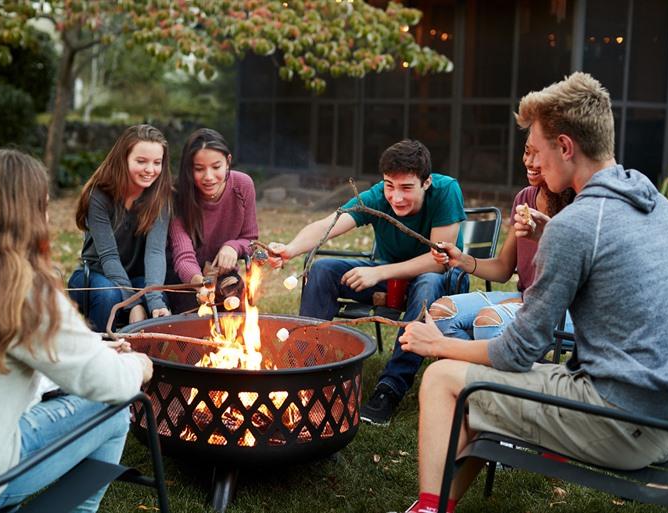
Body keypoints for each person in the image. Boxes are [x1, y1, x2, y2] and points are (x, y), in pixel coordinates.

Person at [398, 72, 668, 513]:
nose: (535, 164)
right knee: (482, 398)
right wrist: (556, 233)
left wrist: (438, 345)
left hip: (621, 423)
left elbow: (516, 353)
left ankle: (429, 510)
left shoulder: (577, 224)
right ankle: (434, 505)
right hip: (660, 413)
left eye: (539, 151)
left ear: (566, 147)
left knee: (442, 379)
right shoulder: (655, 203)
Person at [0, 149, 154, 513]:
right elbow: (109, 383)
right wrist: (138, 366)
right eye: (45, 206)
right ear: (29, 215)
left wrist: (92, 351)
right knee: (116, 407)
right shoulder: (20, 289)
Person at [269, 139, 468, 426]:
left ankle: (390, 388)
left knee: (426, 283)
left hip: (442, 283)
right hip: (391, 280)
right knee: (324, 269)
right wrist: (290, 249)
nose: (396, 197)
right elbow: (328, 224)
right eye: (390, 185)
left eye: (406, 188)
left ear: (426, 183)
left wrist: (379, 273)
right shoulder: (376, 197)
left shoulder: (446, 190)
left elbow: (439, 260)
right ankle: (305, 369)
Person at [428, 143, 575, 342]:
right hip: (526, 299)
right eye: (526, 152)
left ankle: (491, 367)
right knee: (442, 313)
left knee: (489, 321)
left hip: (567, 311)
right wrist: (460, 259)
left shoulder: (579, 205)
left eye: (538, 154)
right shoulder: (524, 198)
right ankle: (482, 367)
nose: (528, 162)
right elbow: (503, 268)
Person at [68, 124, 173, 332]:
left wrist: (154, 302)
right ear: (123, 159)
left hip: (136, 279)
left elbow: (154, 252)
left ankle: (149, 360)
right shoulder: (99, 195)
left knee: (159, 296)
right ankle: (101, 352)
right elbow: (109, 257)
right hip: (95, 276)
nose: (150, 170)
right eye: (141, 161)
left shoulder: (161, 198)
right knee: (110, 294)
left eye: (157, 162)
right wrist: (132, 304)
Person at [166, 128, 258, 313]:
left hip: (224, 276)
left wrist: (233, 246)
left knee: (236, 313)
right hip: (185, 281)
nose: (208, 177)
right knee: (194, 323)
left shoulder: (243, 185)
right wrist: (201, 284)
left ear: (228, 162)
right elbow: (183, 255)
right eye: (199, 169)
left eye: (216, 167)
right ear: (189, 169)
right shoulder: (177, 195)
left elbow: (251, 239)